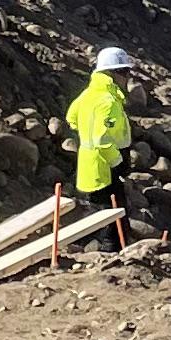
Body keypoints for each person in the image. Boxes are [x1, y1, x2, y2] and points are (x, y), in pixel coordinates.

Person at [64, 45, 135, 232]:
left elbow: (71, 118)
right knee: (112, 224)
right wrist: (117, 161)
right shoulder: (108, 101)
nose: (127, 77)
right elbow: (102, 140)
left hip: (90, 165)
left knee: (100, 216)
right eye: (124, 72)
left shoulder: (89, 94)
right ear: (112, 73)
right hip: (105, 168)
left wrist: (86, 130)